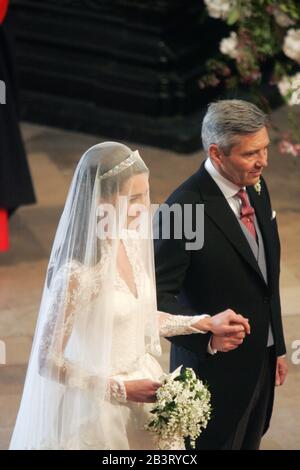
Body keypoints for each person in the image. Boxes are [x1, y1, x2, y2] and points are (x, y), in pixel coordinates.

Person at [9, 142, 248, 450]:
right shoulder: (76, 273)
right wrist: (121, 390)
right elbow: (47, 360)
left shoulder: (132, 241)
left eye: (145, 195)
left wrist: (202, 323)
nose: (143, 206)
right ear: (101, 201)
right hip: (97, 409)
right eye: (133, 198)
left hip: (145, 386)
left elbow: (140, 316)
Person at [154, 100, 288, 450]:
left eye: (265, 149)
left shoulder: (256, 185)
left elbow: (266, 279)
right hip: (211, 374)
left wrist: (278, 347)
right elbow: (157, 299)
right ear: (217, 153)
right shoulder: (183, 209)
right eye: (250, 154)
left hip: (260, 359)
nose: (263, 161)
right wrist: (207, 336)